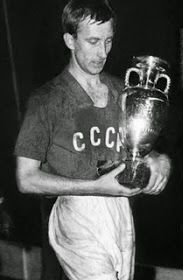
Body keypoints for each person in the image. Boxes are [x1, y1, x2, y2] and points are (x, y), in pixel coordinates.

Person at [14, 0, 171, 279]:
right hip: (77, 212)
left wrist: (159, 159)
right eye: (93, 41)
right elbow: (26, 178)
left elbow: (138, 146)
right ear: (70, 40)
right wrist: (96, 186)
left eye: (108, 41)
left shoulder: (120, 89)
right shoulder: (47, 100)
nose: (103, 52)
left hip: (120, 211)